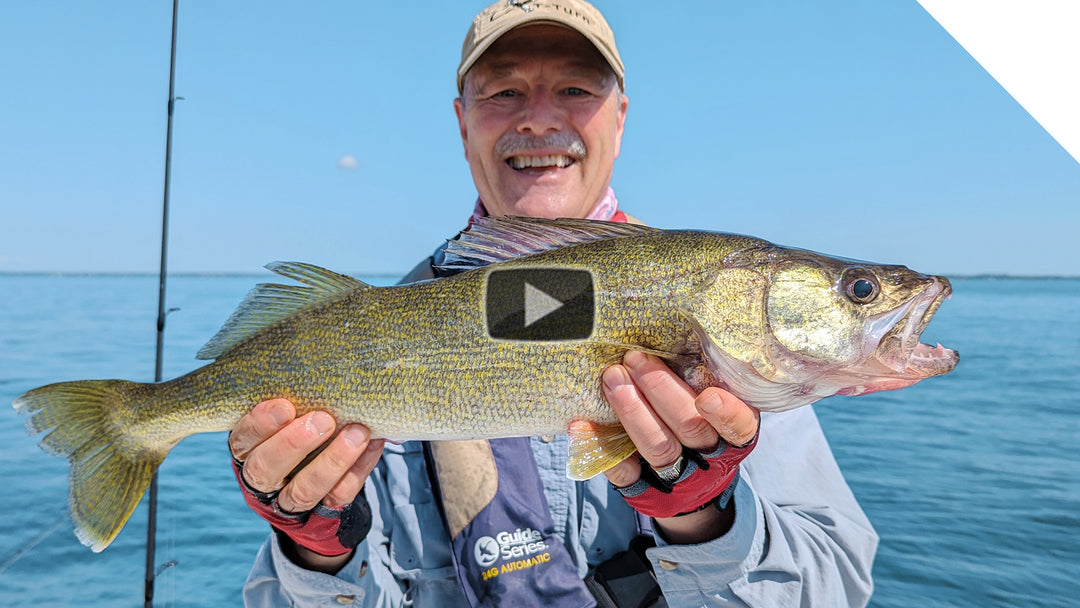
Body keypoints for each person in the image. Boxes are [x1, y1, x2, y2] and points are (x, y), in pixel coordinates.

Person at [229, 1, 878, 606]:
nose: (539, 117)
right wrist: (313, 550)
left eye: (575, 89)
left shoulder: (717, 315)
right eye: (505, 90)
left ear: (620, 117)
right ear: (462, 122)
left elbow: (836, 581)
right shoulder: (375, 326)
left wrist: (703, 516)